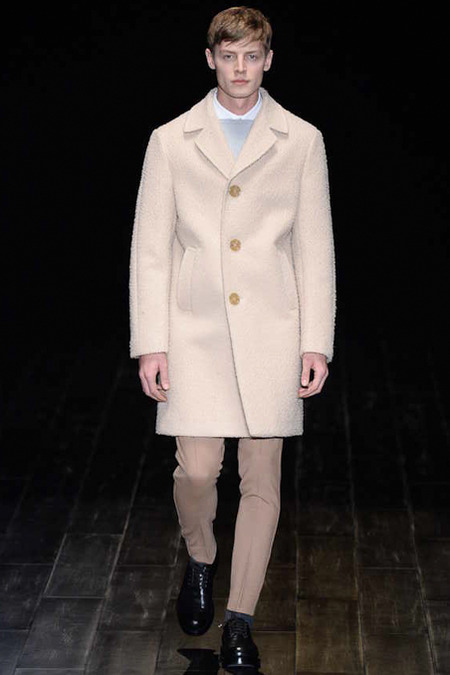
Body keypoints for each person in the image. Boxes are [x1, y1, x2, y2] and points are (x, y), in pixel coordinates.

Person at [129, 6, 336, 670]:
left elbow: (315, 249)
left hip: (272, 330)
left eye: (252, 56)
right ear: (210, 59)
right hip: (193, 329)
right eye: (229, 56)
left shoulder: (301, 140)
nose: (241, 68)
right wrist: (151, 342)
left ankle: (239, 620)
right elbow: (151, 249)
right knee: (195, 471)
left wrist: (316, 341)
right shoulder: (171, 140)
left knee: (261, 482)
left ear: (268, 60)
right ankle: (201, 557)